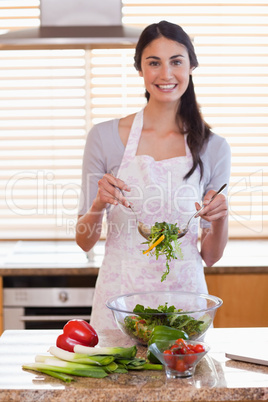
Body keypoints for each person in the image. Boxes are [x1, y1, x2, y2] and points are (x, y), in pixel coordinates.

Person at [76, 20, 231, 330]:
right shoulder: (105, 137)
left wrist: (221, 216)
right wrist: (97, 207)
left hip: (185, 308)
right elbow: (84, 241)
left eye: (176, 61)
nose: (165, 74)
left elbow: (210, 256)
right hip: (121, 306)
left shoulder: (213, 147)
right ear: (140, 69)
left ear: (191, 66)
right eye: (153, 63)